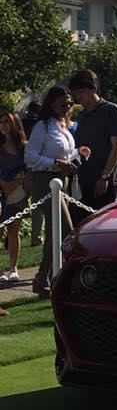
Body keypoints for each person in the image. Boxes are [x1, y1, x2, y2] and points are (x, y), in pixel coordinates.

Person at [25, 87, 89, 297]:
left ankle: (45, 278)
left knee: (55, 232)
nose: (68, 107)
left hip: (63, 181)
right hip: (44, 182)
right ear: (51, 104)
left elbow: (64, 154)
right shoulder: (42, 127)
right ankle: (58, 277)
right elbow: (30, 157)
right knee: (66, 229)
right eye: (63, 103)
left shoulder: (64, 126)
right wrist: (55, 163)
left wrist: (77, 153)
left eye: (70, 103)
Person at [68, 69, 117, 212]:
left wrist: (104, 177)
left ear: (93, 89)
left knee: (99, 221)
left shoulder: (111, 110)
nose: (78, 97)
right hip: (83, 180)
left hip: (103, 181)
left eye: (81, 92)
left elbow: (116, 147)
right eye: (76, 93)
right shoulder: (82, 115)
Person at [0, 110, 29, 283]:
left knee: (14, 229)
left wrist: (18, 183)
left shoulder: (24, 147)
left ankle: (13, 268)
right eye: (1, 122)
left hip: (17, 192)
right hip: (1, 191)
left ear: (14, 124)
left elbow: (29, 168)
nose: (3, 125)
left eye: (7, 122)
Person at [21, 101, 43, 246]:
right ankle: (36, 237)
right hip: (35, 169)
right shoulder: (41, 125)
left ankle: (11, 235)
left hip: (22, 168)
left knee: (16, 204)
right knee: (37, 206)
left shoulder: (22, 123)